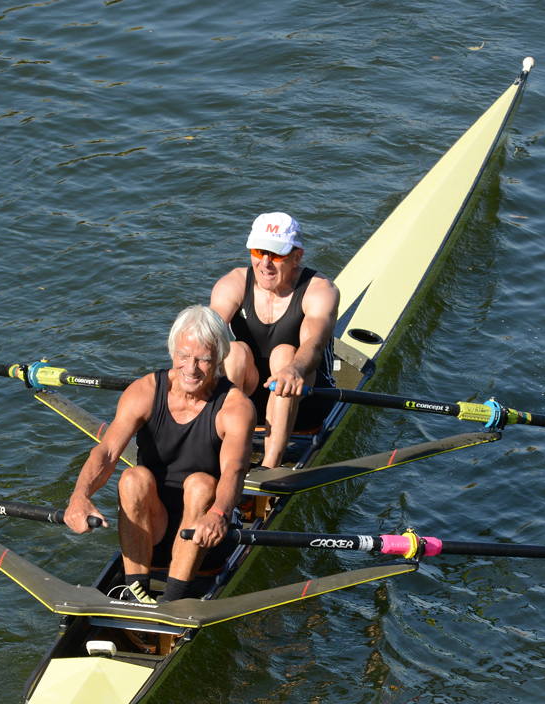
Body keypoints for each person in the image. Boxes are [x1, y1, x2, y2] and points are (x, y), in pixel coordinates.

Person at [62, 306, 255, 604]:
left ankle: (173, 601)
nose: (191, 369)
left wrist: (218, 514)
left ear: (218, 357)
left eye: (203, 359)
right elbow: (108, 451)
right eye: (184, 356)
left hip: (205, 532)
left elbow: (234, 472)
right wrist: (79, 496)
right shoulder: (144, 391)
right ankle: (137, 590)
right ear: (172, 352)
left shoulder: (235, 407)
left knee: (201, 484)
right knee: (132, 477)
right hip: (153, 525)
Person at [210, 212, 339, 469]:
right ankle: (218, 453)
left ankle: (269, 469)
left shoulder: (320, 290)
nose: (265, 263)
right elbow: (208, 334)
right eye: (259, 252)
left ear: (297, 256)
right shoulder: (232, 283)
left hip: (306, 398)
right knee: (234, 352)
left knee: (284, 355)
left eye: (276, 254)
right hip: (250, 397)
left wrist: (294, 369)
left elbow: (313, 343)